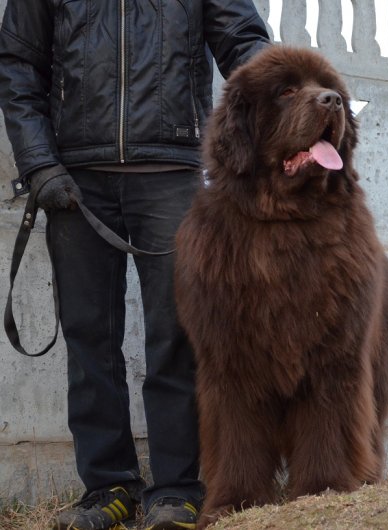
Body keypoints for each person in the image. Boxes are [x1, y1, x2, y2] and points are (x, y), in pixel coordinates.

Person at [0, 1, 270, 529]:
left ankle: (177, 491)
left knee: (176, 335)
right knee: (89, 341)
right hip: (75, 176)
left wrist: (277, 107)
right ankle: (109, 489)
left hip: (171, 171)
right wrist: (38, 163)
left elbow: (245, 44)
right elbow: (18, 63)